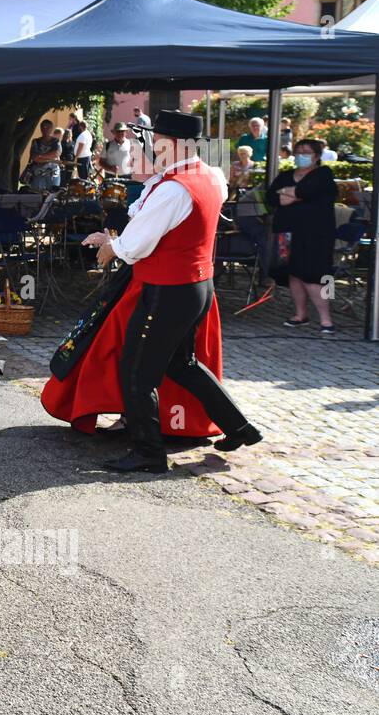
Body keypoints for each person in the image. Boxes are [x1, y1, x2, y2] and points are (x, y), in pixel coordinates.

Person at [80, 110, 260, 474]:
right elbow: (155, 230)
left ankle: (148, 453)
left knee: (136, 370)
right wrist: (118, 242)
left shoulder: (176, 187)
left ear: (175, 144)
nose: (153, 147)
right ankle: (240, 428)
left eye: (158, 141)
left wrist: (112, 245)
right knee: (183, 364)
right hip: (196, 286)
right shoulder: (208, 175)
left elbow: (139, 243)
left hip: (168, 290)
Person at [269, 138, 337, 334]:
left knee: (315, 274)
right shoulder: (286, 175)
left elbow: (309, 191)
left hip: (317, 233)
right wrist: (295, 194)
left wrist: (291, 194)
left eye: (306, 152)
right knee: (294, 272)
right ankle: (300, 314)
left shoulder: (323, 173)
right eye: (298, 151)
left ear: (316, 156)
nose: (301, 155)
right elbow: (272, 197)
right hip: (288, 232)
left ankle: (326, 319)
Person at [24, 119, 63, 190]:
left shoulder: (56, 141)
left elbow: (56, 153)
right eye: (43, 127)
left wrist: (41, 156)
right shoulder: (36, 142)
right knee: (36, 194)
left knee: (53, 193)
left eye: (48, 127)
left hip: (53, 173)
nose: (45, 129)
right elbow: (34, 157)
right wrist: (49, 158)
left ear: (52, 129)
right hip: (38, 173)